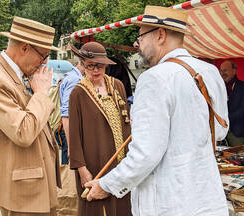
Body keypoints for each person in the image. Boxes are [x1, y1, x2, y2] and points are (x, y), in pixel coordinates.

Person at [85, 6, 229, 216]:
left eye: (141, 37)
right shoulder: (210, 72)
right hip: (207, 201)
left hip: (169, 203)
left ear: (160, 35)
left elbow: (145, 154)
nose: (137, 44)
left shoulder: (154, 78)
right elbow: (221, 130)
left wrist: (107, 185)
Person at [0, 16, 61, 216]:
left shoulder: (14, 74)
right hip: (23, 194)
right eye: (43, 56)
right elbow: (23, 132)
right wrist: (40, 94)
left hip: (31, 188)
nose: (44, 64)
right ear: (24, 48)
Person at [68, 42, 132, 216]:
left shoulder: (118, 85)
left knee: (123, 206)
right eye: (90, 66)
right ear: (83, 65)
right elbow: (73, 137)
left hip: (121, 161)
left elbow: (127, 122)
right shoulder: (77, 93)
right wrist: (82, 170)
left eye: (100, 66)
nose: (95, 70)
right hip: (94, 162)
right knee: (97, 207)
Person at [220, 60, 244, 146]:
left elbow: (243, 110)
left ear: (234, 71)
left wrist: (226, 120)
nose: (222, 73)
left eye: (225, 70)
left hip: (236, 131)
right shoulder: (219, 87)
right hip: (221, 131)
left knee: (236, 157)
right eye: (221, 71)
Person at [59, 56, 85, 161]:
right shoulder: (75, 79)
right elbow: (67, 112)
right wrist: (71, 145)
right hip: (70, 131)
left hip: (69, 130)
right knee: (69, 170)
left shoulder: (71, 76)